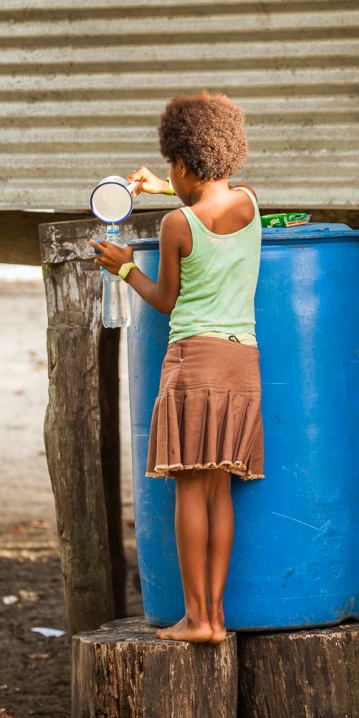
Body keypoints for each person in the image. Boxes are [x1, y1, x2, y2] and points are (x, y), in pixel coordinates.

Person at [89, 90, 263, 644]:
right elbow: (206, 193)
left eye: (171, 167)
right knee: (218, 491)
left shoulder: (175, 226)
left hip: (195, 360)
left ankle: (196, 618)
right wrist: (165, 185)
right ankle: (216, 616)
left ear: (184, 162)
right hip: (243, 363)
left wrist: (123, 268)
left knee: (188, 490)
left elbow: (165, 299)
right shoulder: (250, 203)